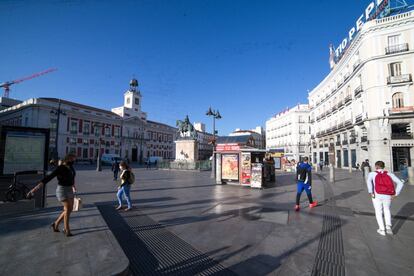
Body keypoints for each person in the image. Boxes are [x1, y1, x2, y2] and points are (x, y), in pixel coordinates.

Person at [28, 153, 77, 237]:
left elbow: (72, 177)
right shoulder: (60, 168)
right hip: (62, 190)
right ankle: (66, 229)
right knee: (68, 208)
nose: (74, 161)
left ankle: (55, 224)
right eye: (72, 159)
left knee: (69, 209)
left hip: (69, 190)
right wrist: (34, 189)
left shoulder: (71, 167)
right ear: (68, 159)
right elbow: (48, 178)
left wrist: (73, 186)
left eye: (74, 159)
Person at [366, 161, 404, 236]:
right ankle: (388, 226)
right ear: (383, 166)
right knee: (387, 209)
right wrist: (396, 194)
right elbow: (400, 183)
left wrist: (371, 192)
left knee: (378, 211)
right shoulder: (389, 174)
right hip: (388, 195)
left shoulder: (372, 174)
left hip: (377, 195)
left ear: (376, 166)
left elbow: (369, 182)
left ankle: (382, 229)